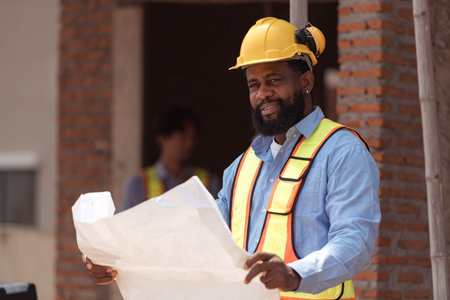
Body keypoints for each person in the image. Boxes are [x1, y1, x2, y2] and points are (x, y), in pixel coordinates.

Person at [84, 17, 380, 299]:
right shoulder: (242, 167)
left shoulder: (341, 151)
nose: (263, 93)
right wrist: (119, 260)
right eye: (254, 85)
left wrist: (294, 274)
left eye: (274, 80)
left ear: (306, 81)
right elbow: (195, 237)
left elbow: (354, 240)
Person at [122, 106, 220, 210]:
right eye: (183, 137)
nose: (190, 144)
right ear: (162, 139)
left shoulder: (209, 183)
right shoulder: (138, 185)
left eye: (193, 137)